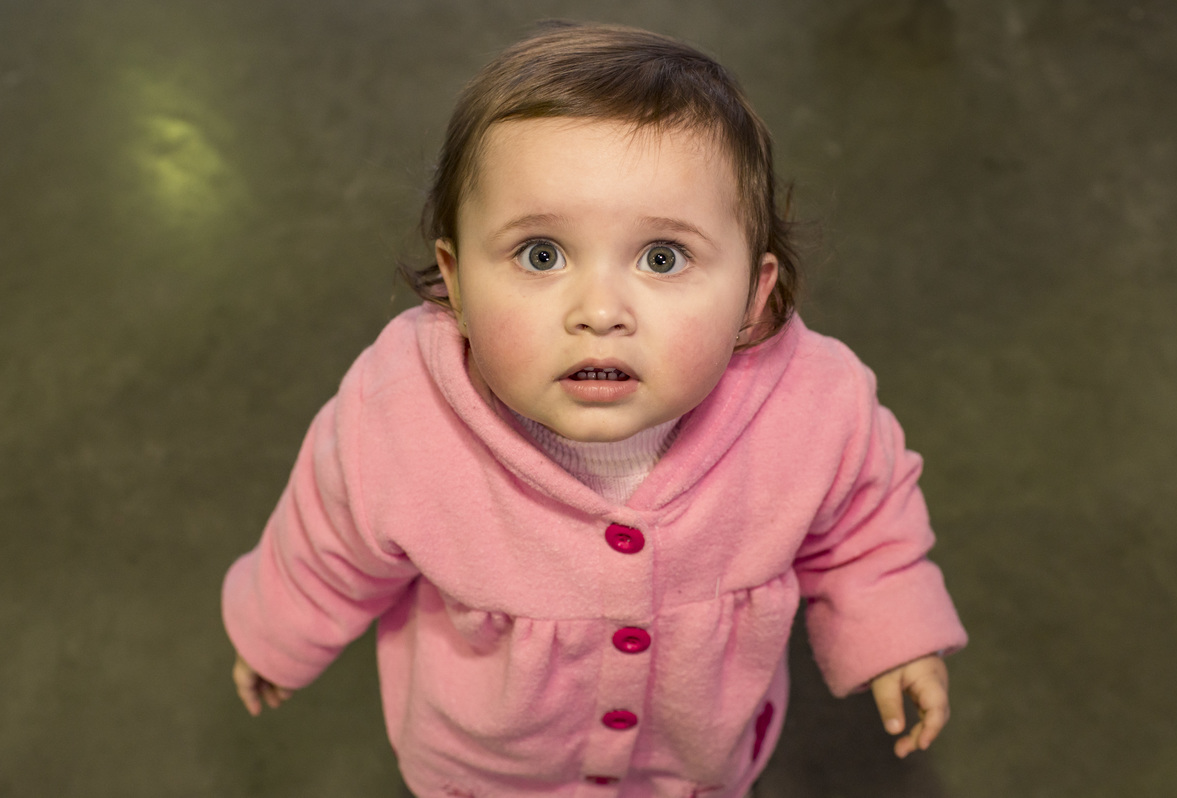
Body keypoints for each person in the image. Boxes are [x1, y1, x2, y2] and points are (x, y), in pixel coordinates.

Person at [222, 21, 967, 798]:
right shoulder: (400, 412)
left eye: (662, 257)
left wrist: (893, 633)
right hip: (483, 772)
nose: (600, 310)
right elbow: (326, 541)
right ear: (457, 281)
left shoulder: (814, 404)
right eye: (541, 255)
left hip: (691, 765)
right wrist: (279, 636)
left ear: (753, 295)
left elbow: (864, 528)